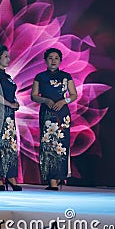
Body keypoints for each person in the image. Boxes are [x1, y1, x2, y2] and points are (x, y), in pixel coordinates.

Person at [31, 48, 78, 190]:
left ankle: (59, 177)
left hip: (62, 114)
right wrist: (45, 100)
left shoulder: (66, 76)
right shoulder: (40, 77)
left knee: (62, 146)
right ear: (45, 60)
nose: (53, 60)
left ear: (60, 60)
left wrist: (64, 101)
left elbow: (74, 94)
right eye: (50, 58)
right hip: (47, 114)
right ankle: (52, 179)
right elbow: (33, 95)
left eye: (56, 58)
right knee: (48, 145)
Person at [0, 45, 21, 191]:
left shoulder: (8, 77)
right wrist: (10, 104)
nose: (8, 59)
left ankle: (10, 176)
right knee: (0, 145)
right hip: (1, 113)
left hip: (10, 115)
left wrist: (15, 103)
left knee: (10, 145)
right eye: (5, 56)